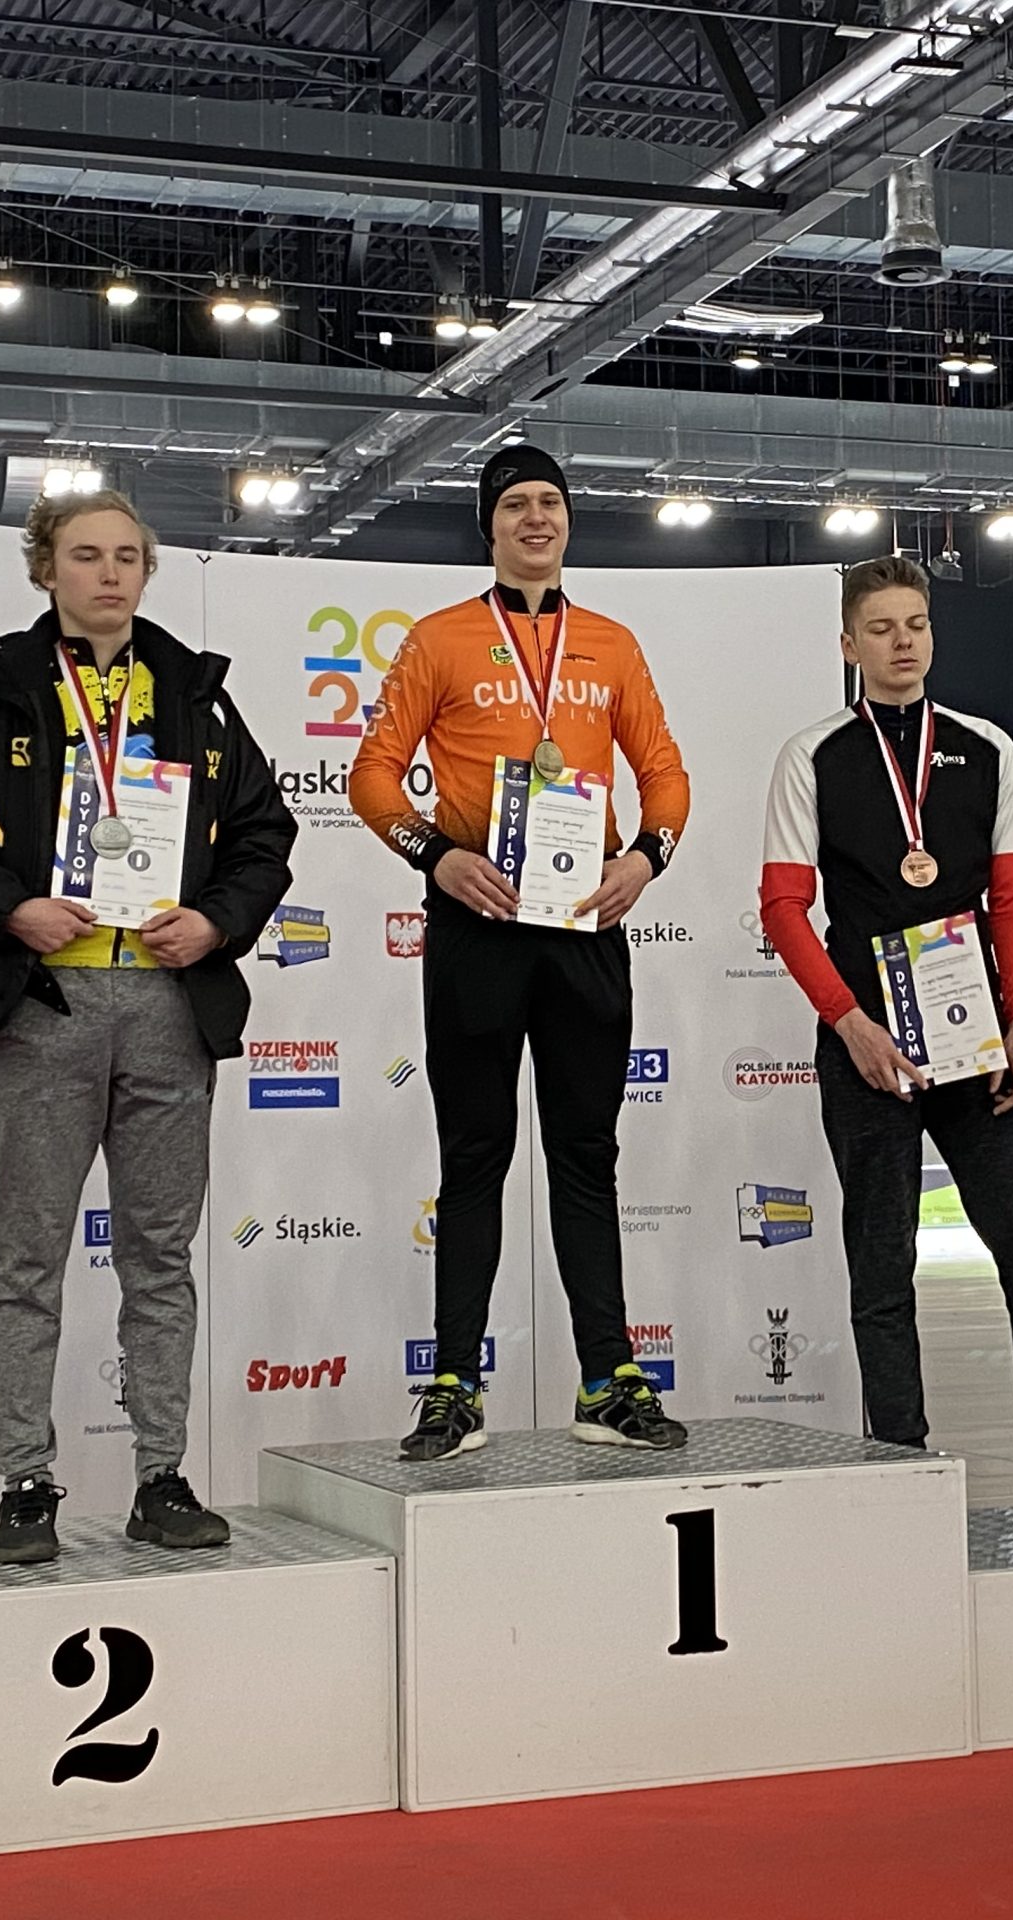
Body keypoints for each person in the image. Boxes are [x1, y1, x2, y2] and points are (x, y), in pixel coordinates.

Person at [0, 489, 295, 1565]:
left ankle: (162, 1476)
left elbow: (264, 834)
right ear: (44, 570)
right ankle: (25, 1484)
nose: (109, 574)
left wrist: (216, 921)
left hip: (166, 1009)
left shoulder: (199, 698)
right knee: (26, 1260)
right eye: (85, 555)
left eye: (126, 557)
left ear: (147, 571)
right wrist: (9, 908)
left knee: (160, 1258)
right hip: (40, 1006)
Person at [758, 553, 1013, 1531]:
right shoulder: (812, 755)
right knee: (882, 1265)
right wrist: (848, 1024)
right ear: (848, 644)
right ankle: (901, 1472)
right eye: (881, 628)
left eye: (917, 624)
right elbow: (784, 909)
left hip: (979, 1046)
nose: (903, 642)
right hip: (868, 1046)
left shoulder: (986, 748)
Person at [351, 445, 692, 1461]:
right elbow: (373, 775)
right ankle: (454, 1384)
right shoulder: (441, 638)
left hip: (585, 925)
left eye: (550, 502)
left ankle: (607, 1380)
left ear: (568, 520)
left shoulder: (612, 644)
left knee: (586, 1156)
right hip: (479, 925)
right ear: (488, 527)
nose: (535, 519)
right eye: (514, 506)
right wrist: (436, 855)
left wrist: (645, 858)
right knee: (474, 1157)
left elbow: (665, 775)